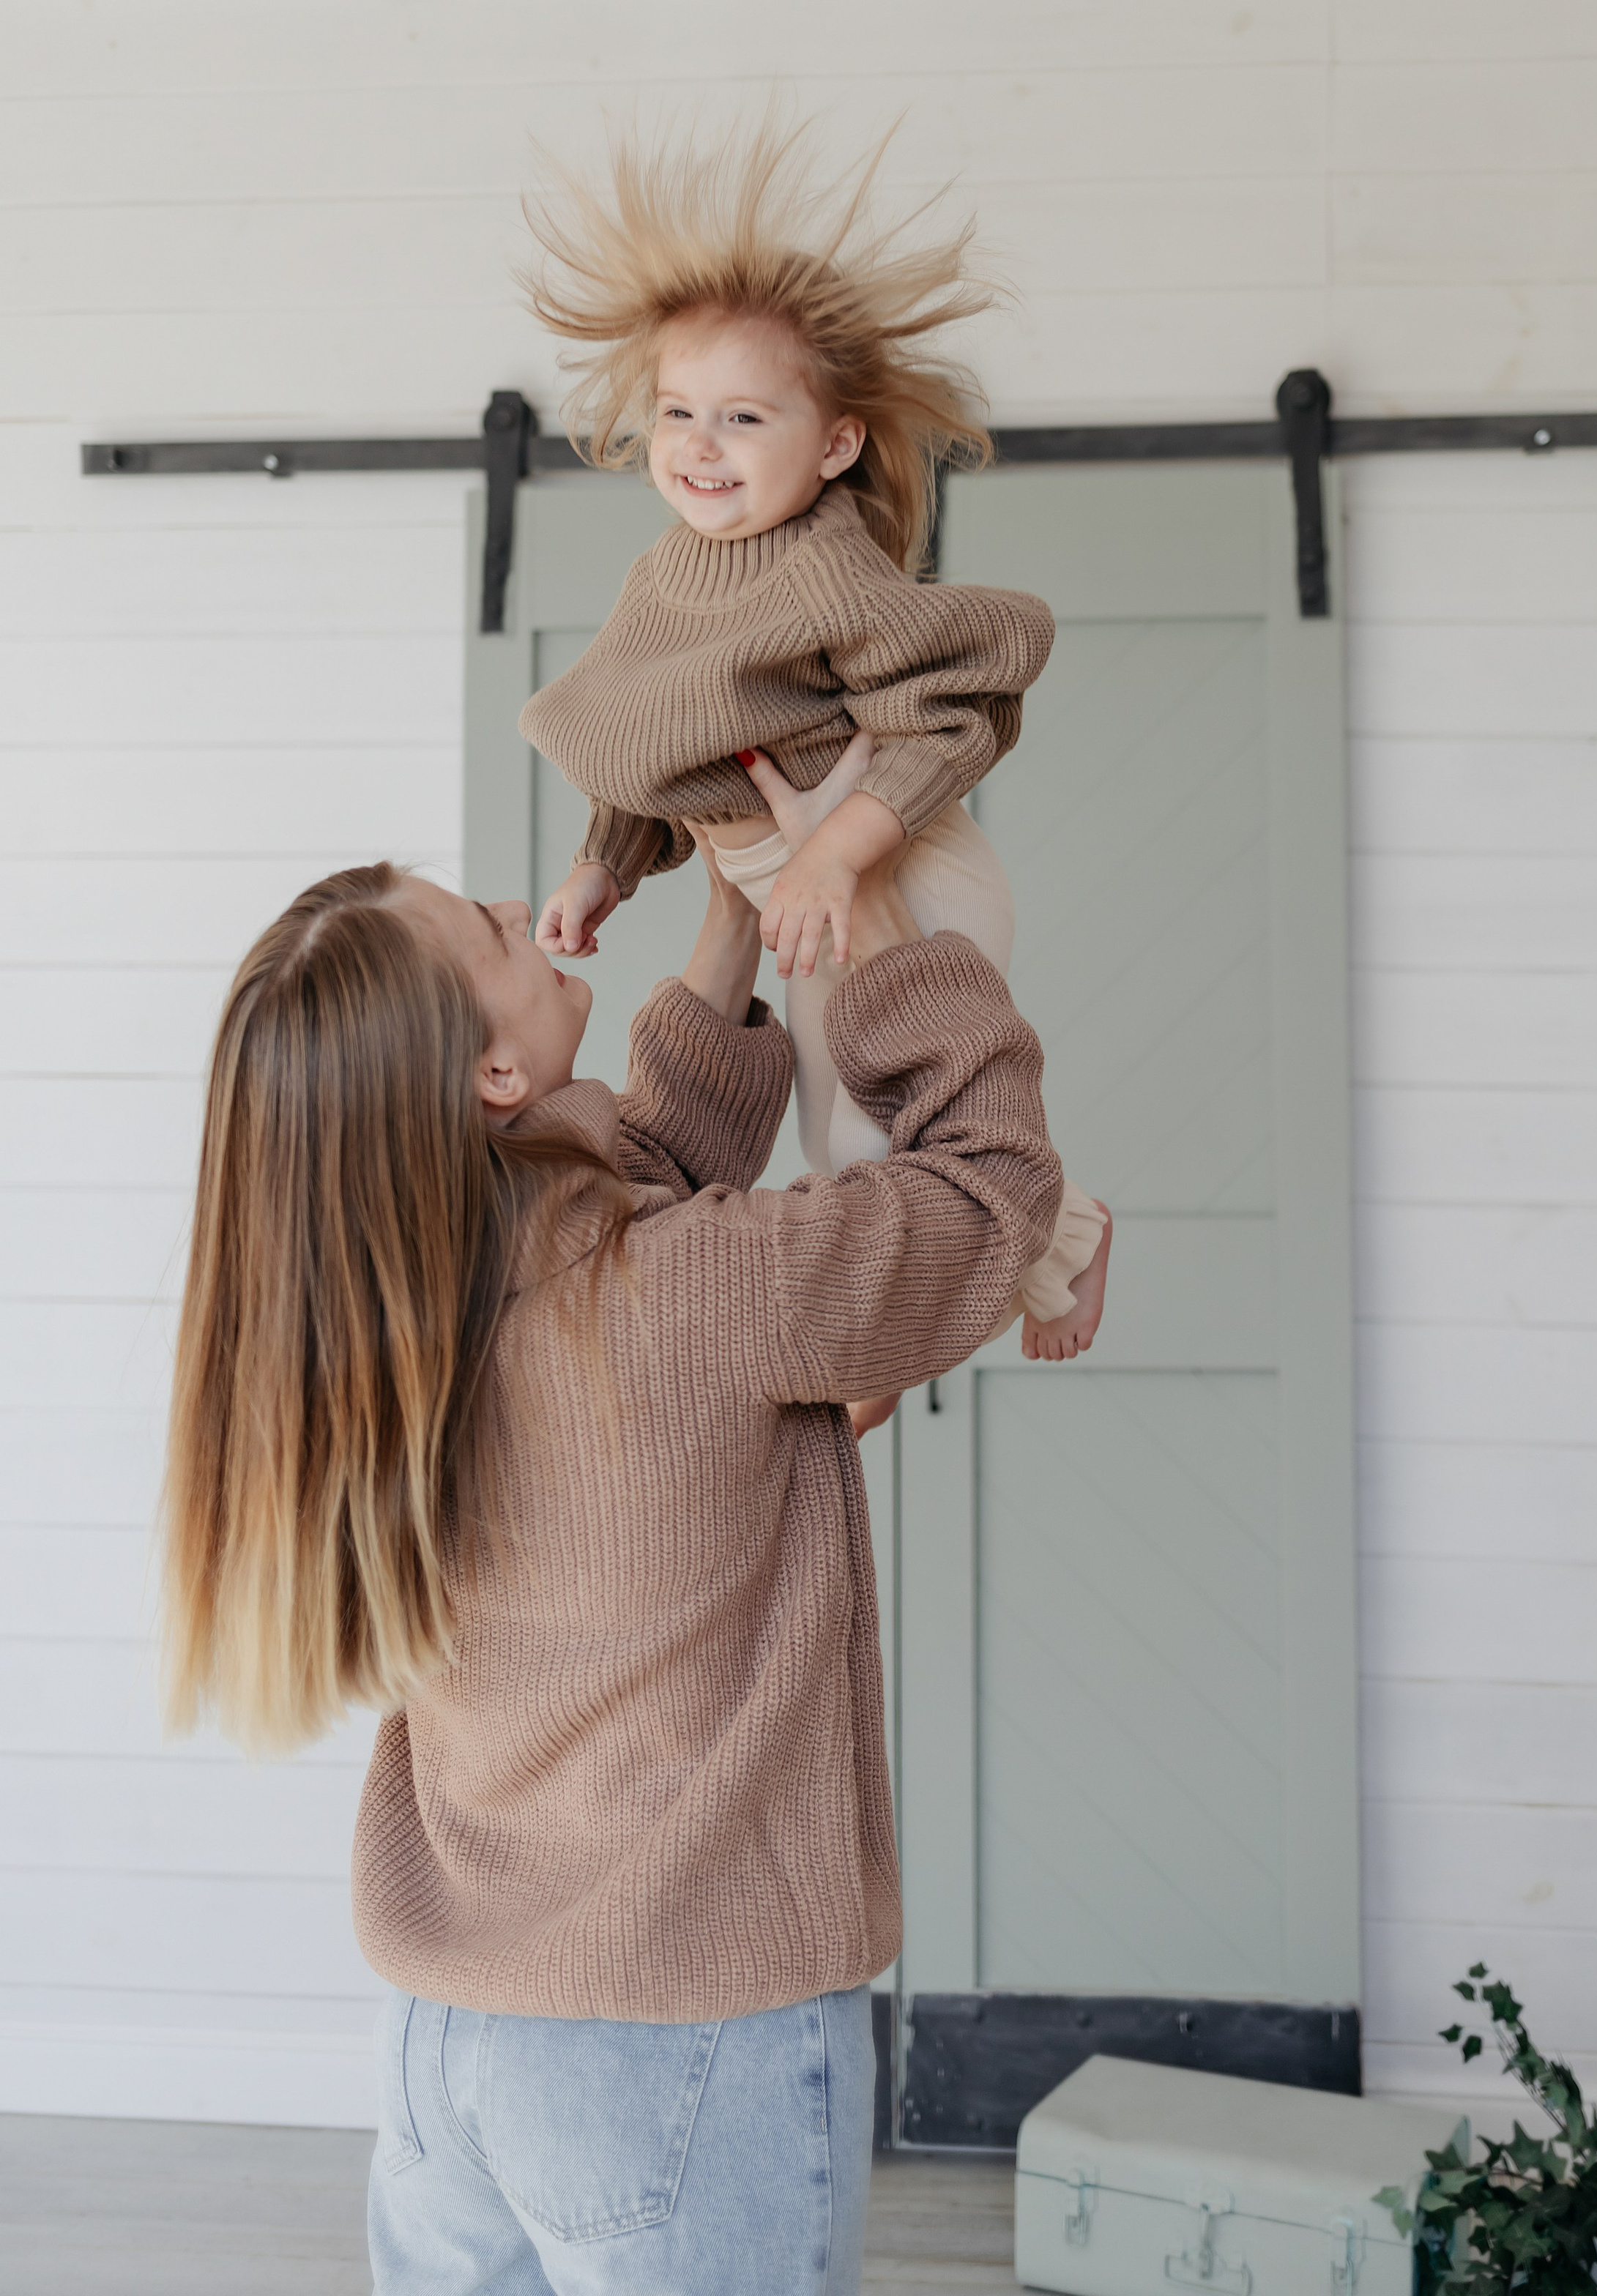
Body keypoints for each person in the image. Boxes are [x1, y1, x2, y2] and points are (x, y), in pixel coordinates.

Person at [160, 805, 1061, 2295]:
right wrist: (899, 950)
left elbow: (628, 1185)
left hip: (452, 2053)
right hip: (679, 2039)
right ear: (494, 1075)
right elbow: (983, 1198)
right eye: (489, 931)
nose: (521, 907)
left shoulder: (406, 1316)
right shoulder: (686, 1294)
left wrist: (726, 922)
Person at [518, 116, 1109, 1379]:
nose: (699, 446)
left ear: (834, 444)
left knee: (867, 1151)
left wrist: (841, 855)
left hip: (895, 870)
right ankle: (934, 1324)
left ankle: (1037, 1259)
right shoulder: (673, 569)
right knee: (838, 1142)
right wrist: (604, 871)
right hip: (785, 889)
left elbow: (955, 700)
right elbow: (658, 736)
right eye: (678, 412)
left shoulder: (827, 563)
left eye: (742, 418)